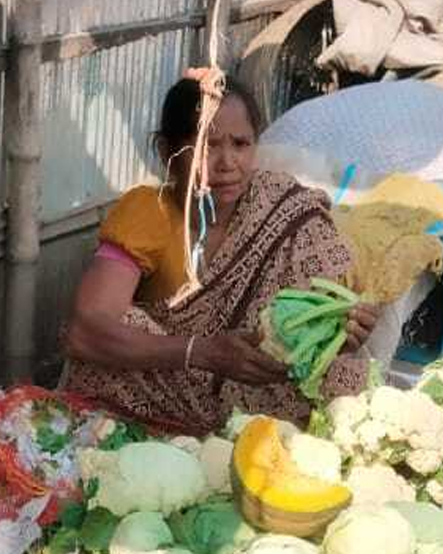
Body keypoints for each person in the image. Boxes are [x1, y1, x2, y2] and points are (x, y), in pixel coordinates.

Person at [60, 76, 380, 435]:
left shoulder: (282, 208)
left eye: (241, 144)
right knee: (117, 335)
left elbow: (310, 323)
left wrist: (341, 331)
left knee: (343, 376)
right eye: (207, 146)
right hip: (174, 384)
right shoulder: (149, 211)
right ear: (168, 152)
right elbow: (84, 332)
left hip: (260, 389)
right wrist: (202, 353)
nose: (227, 162)